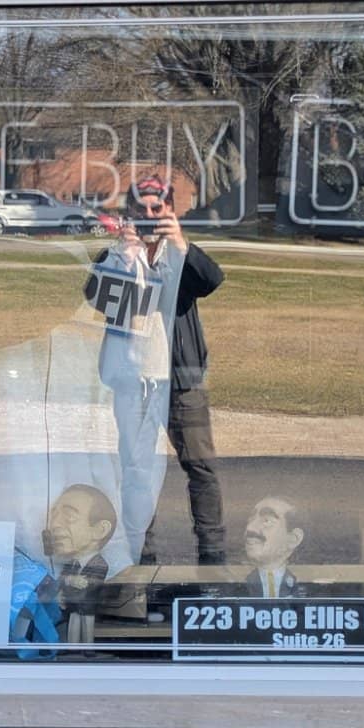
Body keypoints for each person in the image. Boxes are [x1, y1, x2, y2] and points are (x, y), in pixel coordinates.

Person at [84, 174, 228, 564]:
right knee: (136, 471)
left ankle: (213, 560)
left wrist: (180, 241)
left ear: (170, 211)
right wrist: (126, 259)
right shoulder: (117, 255)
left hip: (180, 380)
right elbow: (97, 299)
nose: (149, 217)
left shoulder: (179, 252)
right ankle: (141, 560)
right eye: (140, 210)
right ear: (128, 214)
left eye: (157, 210)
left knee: (200, 467)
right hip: (133, 383)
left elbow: (212, 280)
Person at [41, 483, 117, 642]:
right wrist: (65, 586)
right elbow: (63, 579)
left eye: (69, 517)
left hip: (88, 606)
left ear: (100, 530)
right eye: (53, 516)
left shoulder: (99, 563)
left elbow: (94, 583)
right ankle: (73, 648)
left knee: (87, 626)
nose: (54, 525)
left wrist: (77, 583)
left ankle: (87, 649)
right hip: (73, 604)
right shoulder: (71, 564)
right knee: (73, 625)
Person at [240, 493, 311, 598]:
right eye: (250, 520)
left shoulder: (312, 587)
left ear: (293, 539)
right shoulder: (232, 585)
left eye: (266, 521)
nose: (250, 528)